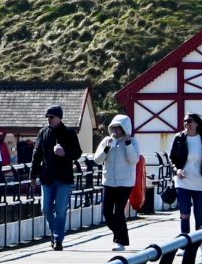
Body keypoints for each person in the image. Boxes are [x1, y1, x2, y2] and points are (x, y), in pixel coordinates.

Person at [34, 104, 83, 251]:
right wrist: (32, 175)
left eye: (51, 117)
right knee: (46, 209)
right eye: (47, 117)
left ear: (59, 118)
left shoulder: (69, 132)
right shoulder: (43, 132)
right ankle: (55, 232)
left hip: (64, 178)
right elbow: (36, 155)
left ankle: (57, 239)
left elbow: (78, 153)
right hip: (47, 177)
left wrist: (65, 153)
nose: (49, 119)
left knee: (61, 210)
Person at [95, 116, 144, 248]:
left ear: (125, 129)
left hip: (125, 182)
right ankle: (120, 235)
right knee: (106, 211)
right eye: (114, 128)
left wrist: (127, 144)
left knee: (119, 210)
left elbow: (134, 160)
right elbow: (97, 160)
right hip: (109, 181)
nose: (116, 131)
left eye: (119, 128)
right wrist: (107, 148)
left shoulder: (133, 141)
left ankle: (119, 240)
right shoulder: (106, 141)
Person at [173, 116, 202, 230]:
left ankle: (198, 241)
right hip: (183, 181)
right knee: (184, 214)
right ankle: (185, 241)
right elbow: (172, 158)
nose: (187, 123)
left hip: (200, 181)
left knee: (199, 215)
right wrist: (177, 169)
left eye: (190, 121)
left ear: (197, 123)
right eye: (185, 121)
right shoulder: (179, 138)